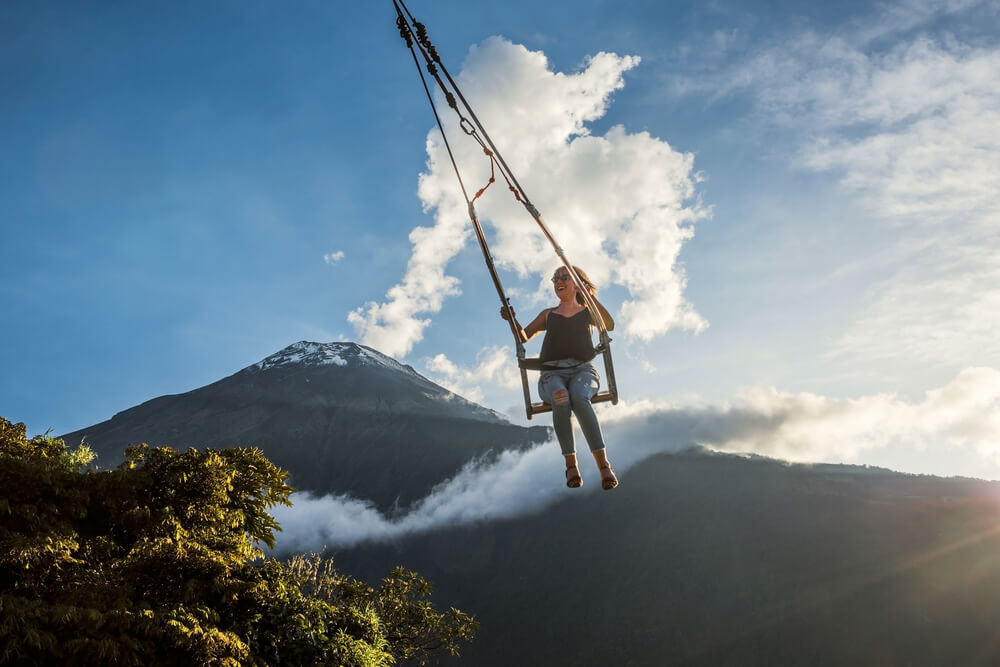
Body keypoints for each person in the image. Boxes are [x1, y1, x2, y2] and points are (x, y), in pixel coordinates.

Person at [501, 266, 619, 490]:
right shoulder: (549, 315)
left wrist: (589, 297)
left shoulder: (587, 312)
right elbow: (523, 336)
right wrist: (511, 319)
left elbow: (609, 325)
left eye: (565, 277)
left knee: (579, 396)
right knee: (562, 396)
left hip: (583, 371)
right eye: (555, 278)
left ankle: (603, 464)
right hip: (551, 374)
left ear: (577, 283)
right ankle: (571, 465)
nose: (559, 281)